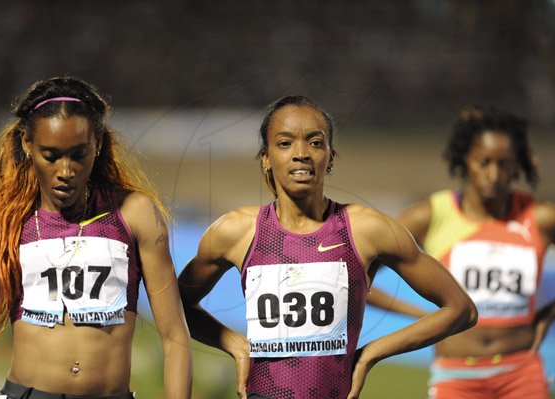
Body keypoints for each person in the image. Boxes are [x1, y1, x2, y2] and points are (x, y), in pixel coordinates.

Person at [178, 95, 477, 399]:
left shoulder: (366, 229)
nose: (301, 154)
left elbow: (461, 309)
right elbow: (176, 305)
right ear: (265, 158)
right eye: (285, 143)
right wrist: (236, 345)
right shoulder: (236, 231)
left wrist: (372, 353)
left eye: (315, 143)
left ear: (331, 157)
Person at [0, 76, 192, 399]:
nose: (65, 171)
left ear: (97, 143)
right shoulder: (1, 226)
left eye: (78, 154)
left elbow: (175, 337)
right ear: (27, 144)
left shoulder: (136, 214)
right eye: (50, 155)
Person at [397, 106, 555, 398]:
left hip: (522, 374)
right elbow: (360, 266)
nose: (494, 174)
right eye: (484, 162)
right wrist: (417, 314)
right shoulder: (431, 216)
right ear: (464, 160)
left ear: (516, 166)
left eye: (504, 164)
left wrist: (547, 314)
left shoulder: (539, 217)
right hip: (455, 376)